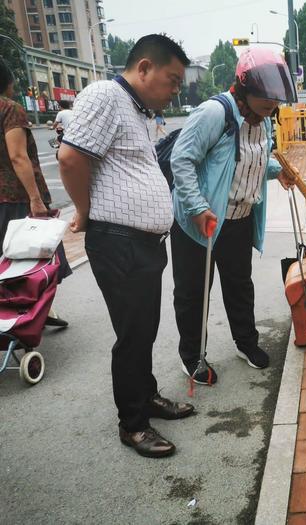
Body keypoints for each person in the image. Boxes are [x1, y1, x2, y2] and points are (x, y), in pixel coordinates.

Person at [58, 34, 194, 459]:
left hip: (141, 242)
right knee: (133, 335)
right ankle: (132, 424)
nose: (175, 91)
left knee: (144, 329)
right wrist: (84, 210)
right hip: (118, 240)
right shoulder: (105, 95)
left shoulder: (135, 110)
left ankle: (147, 396)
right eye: (172, 80)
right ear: (145, 68)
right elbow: (70, 158)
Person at [170, 48, 297, 384]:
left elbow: (247, 161)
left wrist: (276, 171)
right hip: (200, 223)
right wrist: (197, 209)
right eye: (265, 97)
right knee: (195, 291)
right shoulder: (213, 113)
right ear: (244, 87)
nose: (272, 104)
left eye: (276, 99)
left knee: (240, 286)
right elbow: (182, 162)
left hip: (238, 219)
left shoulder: (264, 119)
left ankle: (246, 342)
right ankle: (193, 357)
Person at [0, 59, 69, 327]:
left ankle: (28, 313)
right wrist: (35, 198)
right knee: (32, 260)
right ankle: (29, 315)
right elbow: (18, 156)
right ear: (8, 81)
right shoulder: (10, 109)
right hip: (15, 197)